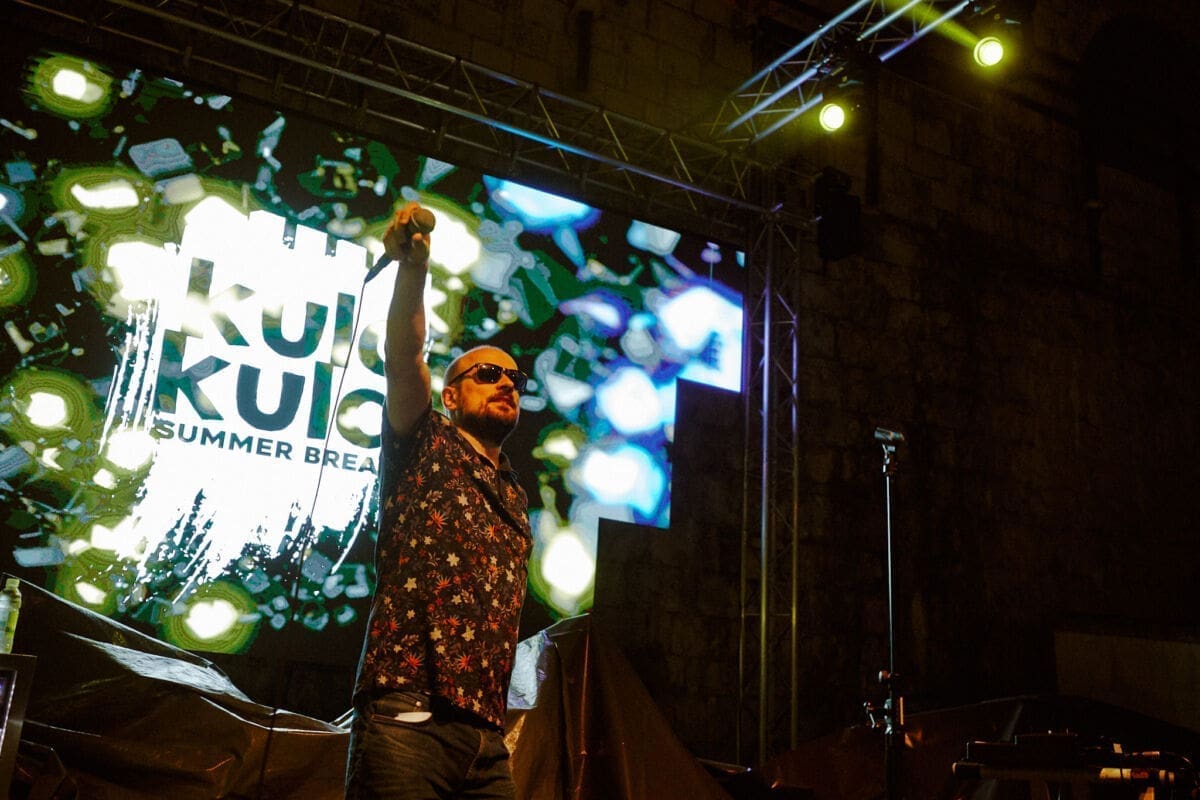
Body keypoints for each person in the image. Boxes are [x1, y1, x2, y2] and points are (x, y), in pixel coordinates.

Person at [345, 201, 532, 799]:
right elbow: (405, 359)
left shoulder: (515, 495)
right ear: (451, 396)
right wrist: (414, 269)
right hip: (409, 715)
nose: (506, 384)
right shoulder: (424, 441)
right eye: (488, 375)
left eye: (515, 380)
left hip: (486, 737)